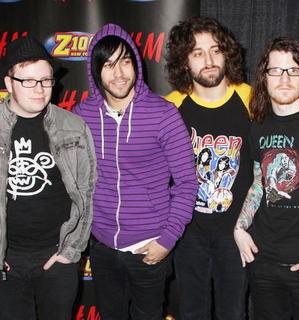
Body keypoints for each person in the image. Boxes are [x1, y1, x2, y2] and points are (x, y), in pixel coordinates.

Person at [72, 23, 198, 320]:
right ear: (95, 71)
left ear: (136, 65)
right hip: (102, 245)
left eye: (126, 62)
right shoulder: (82, 115)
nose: (119, 74)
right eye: (109, 64)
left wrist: (166, 241)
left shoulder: (163, 114)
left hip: (149, 247)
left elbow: (186, 184)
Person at [0, 36, 96, 320]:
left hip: (56, 258)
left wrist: (71, 251)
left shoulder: (74, 127)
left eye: (46, 80)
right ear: (9, 84)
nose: (40, 90)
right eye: (28, 81)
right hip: (7, 262)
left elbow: (88, 191)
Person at [165, 16, 252, 320]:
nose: (209, 60)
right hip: (188, 234)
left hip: (237, 234)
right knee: (191, 312)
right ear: (184, 61)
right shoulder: (170, 108)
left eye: (215, 50)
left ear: (227, 53)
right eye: (197, 53)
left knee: (234, 312)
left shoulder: (252, 100)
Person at [234, 37, 299, 319]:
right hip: (264, 264)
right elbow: (259, 183)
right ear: (264, 76)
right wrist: (239, 228)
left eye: (293, 70)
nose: (284, 78)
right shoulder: (258, 125)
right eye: (276, 70)